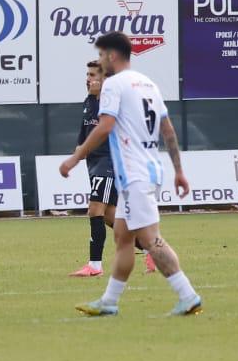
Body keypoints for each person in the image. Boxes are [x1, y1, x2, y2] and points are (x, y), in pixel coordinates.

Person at [61, 32, 201, 316]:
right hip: (142, 172)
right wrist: (178, 171)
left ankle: (188, 295)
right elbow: (168, 130)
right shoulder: (147, 83)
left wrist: (76, 157)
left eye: (101, 55)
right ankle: (110, 302)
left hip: (135, 174)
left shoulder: (114, 85)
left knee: (151, 239)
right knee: (123, 237)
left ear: (112, 56)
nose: (100, 61)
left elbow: (104, 127)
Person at [72, 60, 120, 277]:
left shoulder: (112, 103)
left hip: (108, 162)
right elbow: (85, 133)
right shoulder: (89, 101)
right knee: (110, 216)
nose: (88, 79)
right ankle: (151, 248)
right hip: (94, 162)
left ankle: (95, 265)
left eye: (93, 75)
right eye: (87, 75)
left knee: (94, 209)